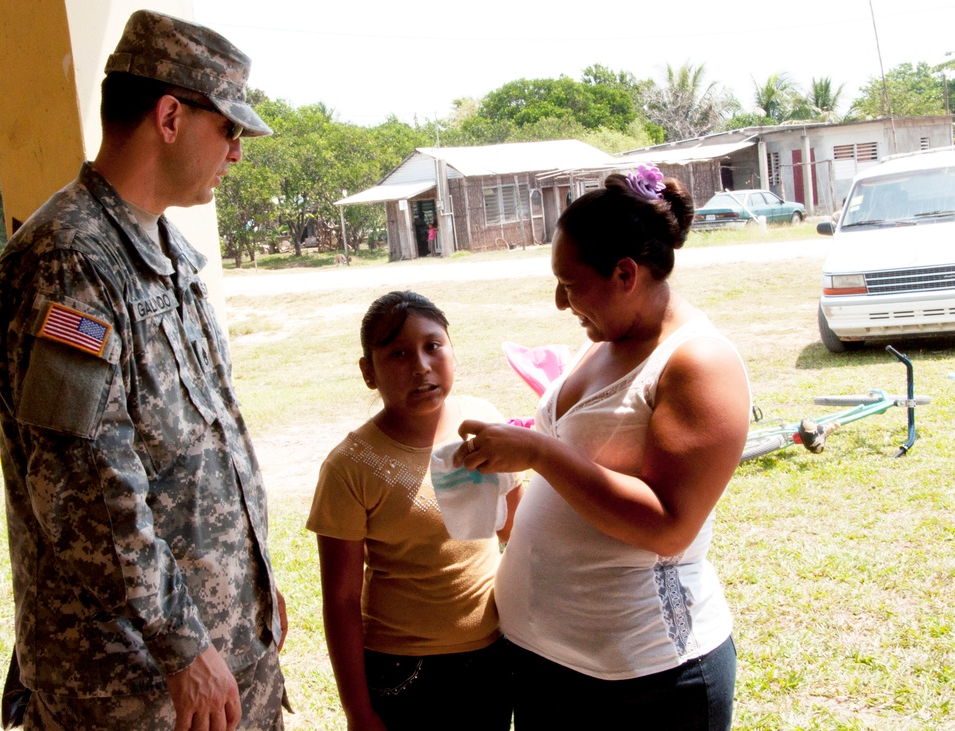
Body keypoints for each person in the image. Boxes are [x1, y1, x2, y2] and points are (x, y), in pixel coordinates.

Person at [0, 10, 289, 730]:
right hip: (130, 684)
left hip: (215, 660)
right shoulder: (69, 260)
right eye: (231, 129)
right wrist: (184, 642)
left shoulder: (168, 252)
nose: (237, 153)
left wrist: (248, 590)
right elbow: (84, 486)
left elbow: (204, 445)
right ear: (171, 116)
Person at [454, 165, 750, 730]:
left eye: (569, 283)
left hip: (645, 683)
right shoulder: (606, 339)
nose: (560, 303)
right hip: (548, 666)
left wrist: (539, 453)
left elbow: (669, 525)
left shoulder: (697, 364)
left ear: (624, 273)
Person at [307, 291, 520, 731]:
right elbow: (342, 601)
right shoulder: (349, 466)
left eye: (432, 346)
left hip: (494, 656)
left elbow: (515, 530)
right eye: (398, 353)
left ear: (453, 353)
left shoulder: (482, 424)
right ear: (369, 372)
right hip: (404, 671)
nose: (420, 366)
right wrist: (358, 711)